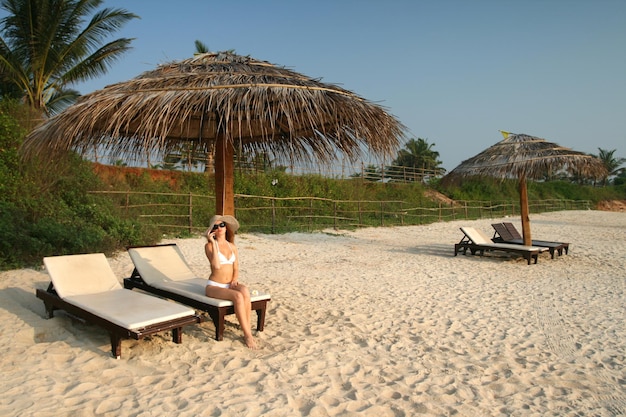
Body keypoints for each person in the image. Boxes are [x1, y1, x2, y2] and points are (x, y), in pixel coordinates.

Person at [204, 214, 257, 349]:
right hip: (214, 286)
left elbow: (236, 267)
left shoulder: (232, 246)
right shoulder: (209, 246)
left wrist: (234, 280)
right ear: (212, 230)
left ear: (226, 228)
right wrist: (213, 242)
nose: (220, 228)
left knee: (244, 290)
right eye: (216, 226)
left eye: (222, 225)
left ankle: (247, 327)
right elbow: (216, 266)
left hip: (229, 283)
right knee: (237, 296)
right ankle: (247, 335)